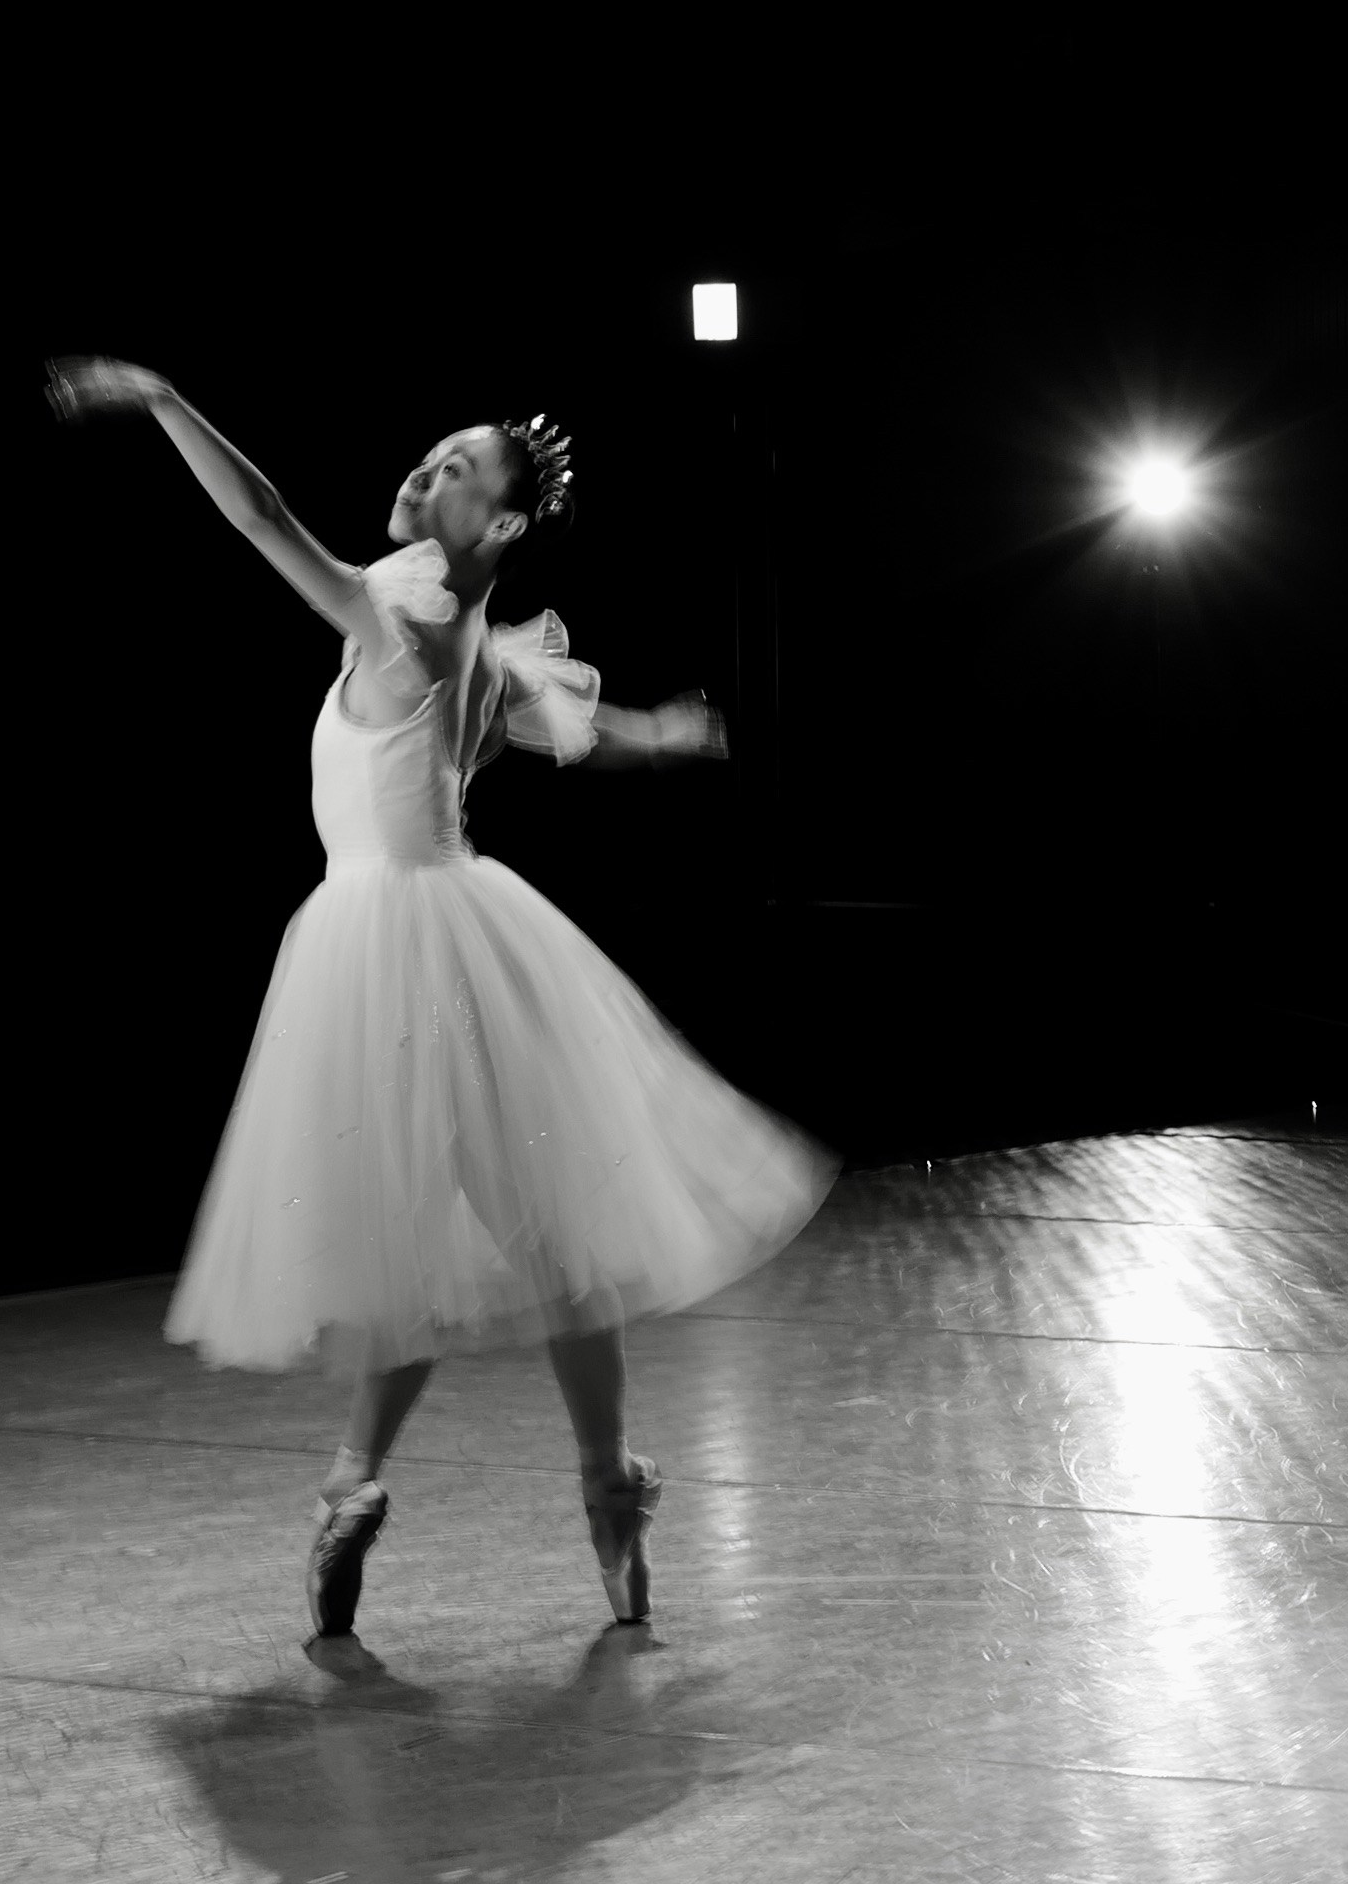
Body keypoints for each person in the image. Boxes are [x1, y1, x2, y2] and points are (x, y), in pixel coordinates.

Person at [45, 358, 830, 1639]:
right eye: (433, 452)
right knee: (554, 1238)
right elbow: (588, 729)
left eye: (459, 470)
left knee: (401, 1250)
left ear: (501, 525)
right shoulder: (465, 627)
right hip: (464, 935)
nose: (428, 469)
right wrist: (671, 735)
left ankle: (353, 1485)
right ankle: (606, 1487)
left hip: (378, 943)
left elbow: (260, 520)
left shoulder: (396, 611)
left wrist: (167, 401)